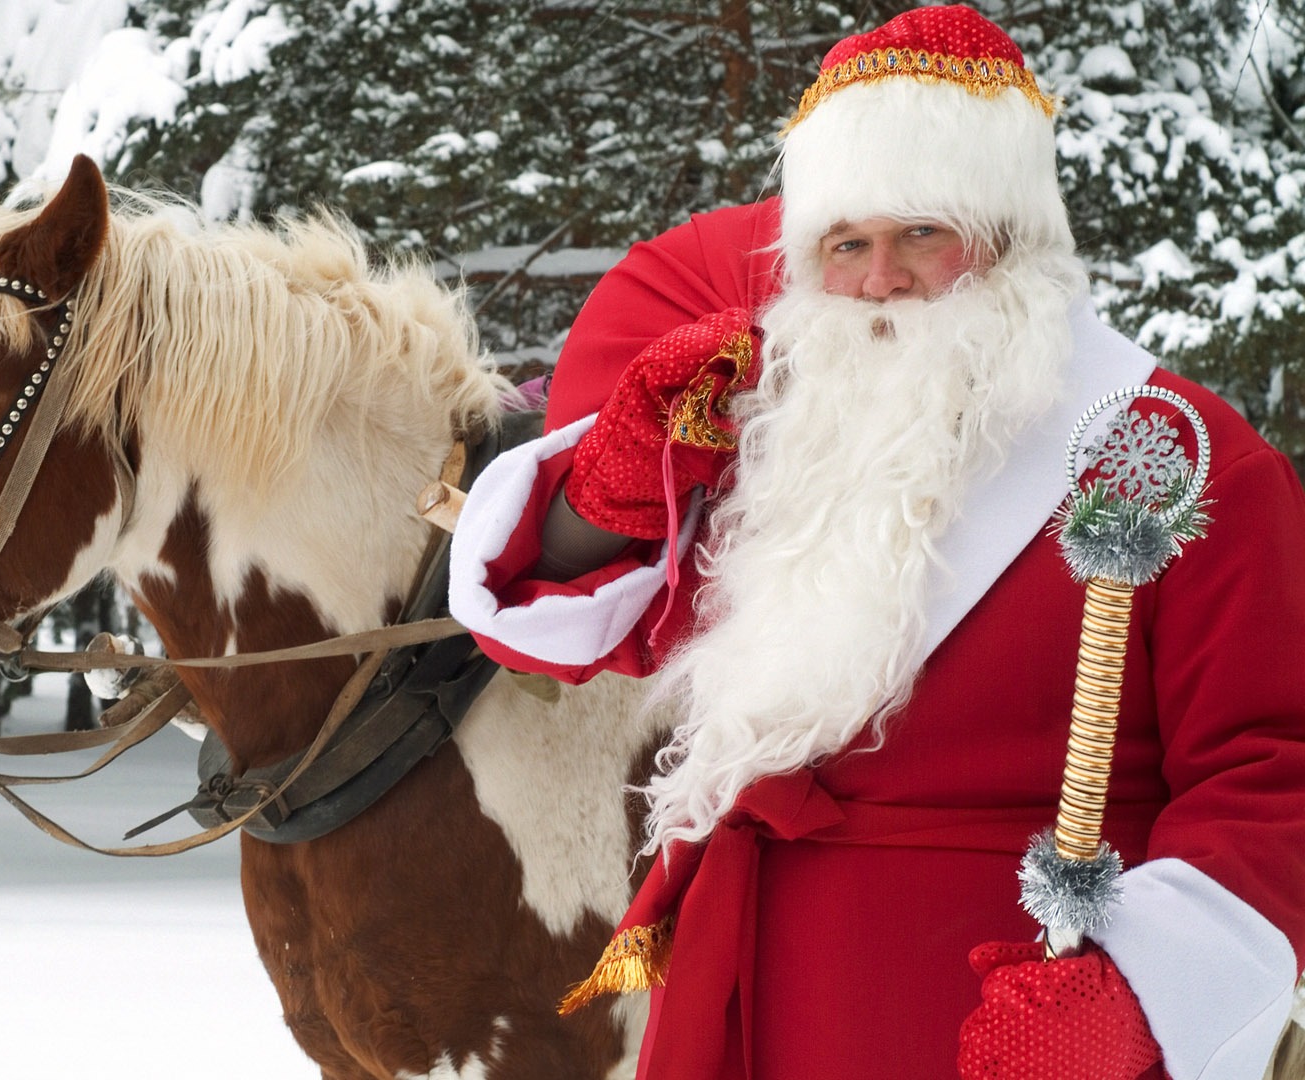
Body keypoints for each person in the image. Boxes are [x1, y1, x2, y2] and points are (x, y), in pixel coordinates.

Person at [446, 6, 1305, 1079]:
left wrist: (1136, 993)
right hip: (745, 996)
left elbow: (1275, 772)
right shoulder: (778, 434)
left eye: (921, 235)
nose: (879, 279)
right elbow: (564, 634)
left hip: (1008, 1009)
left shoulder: (1176, 455)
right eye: (846, 244)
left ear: (1009, 239)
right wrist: (608, 494)